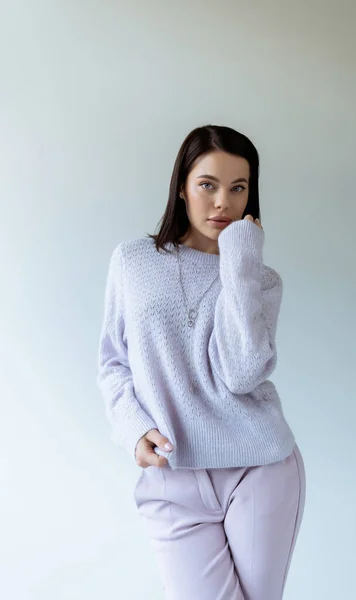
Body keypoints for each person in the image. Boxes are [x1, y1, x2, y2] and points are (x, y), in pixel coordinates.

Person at [97, 124, 306, 600]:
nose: (222, 203)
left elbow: (242, 371)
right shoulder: (133, 261)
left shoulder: (261, 280)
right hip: (173, 476)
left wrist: (240, 260)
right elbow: (113, 361)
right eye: (208, 185)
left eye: (238, 188)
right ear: (182, 187)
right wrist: (132, 428)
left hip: (260, 468)